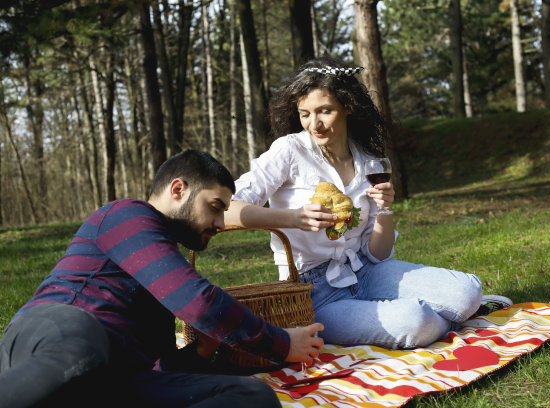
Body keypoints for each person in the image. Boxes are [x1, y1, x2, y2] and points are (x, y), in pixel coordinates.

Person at [225, 56, 512, 350]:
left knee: (468, 291)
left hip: (365, 271)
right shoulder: (289, 152)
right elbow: (227, 209)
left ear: (347, 107)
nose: (315, 124)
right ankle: (440, 320)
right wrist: (293, 218)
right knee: (415, 321)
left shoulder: (368, 162)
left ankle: (449, 314)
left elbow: (379, 254)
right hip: (312, 293)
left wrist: (385, 209)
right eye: (305, 113)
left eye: (325, 111)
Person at [0, 150, 323, 408]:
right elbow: (200, 303)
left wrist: (201, 351)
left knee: (253, 397)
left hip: (112, 380)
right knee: (84, 346)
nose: (221, 222)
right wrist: (280, 343)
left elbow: (162, 368)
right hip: (58, 332)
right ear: (178, 189)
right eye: (215, 207)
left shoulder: (161, 269)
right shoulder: (126, 215)